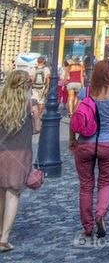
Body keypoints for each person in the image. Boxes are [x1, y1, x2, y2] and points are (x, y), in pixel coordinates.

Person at [70, 60, 109, 240]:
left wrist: (72, 140)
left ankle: (87, 227)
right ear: (108, 74)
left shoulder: (85, 92)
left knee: (86, 186)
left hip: (85, 144)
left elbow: (76, 117)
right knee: (106, 183)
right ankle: (100, 214)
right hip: (107, 143)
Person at [0, 70, 42, 252]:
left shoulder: (1, 103)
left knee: (0, 193)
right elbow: (37, 129)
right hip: (20, 156)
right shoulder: (30, 104)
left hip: (1, 152)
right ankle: (4, 238)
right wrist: (34, 117)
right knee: (13, 194)